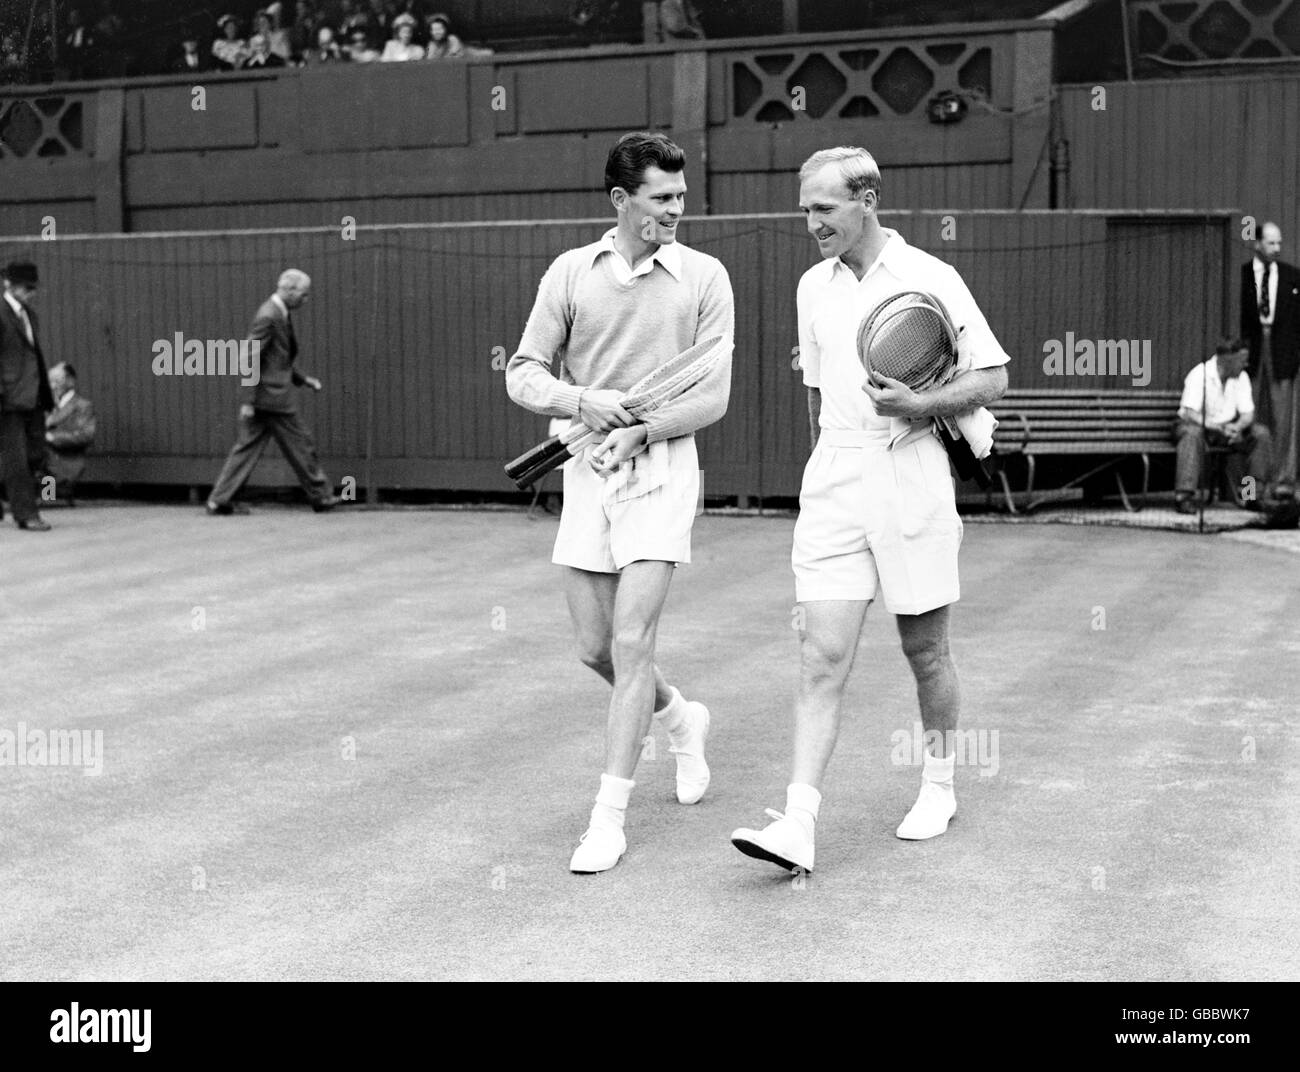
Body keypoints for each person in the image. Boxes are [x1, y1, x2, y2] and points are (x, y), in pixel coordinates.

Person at [730, 146, 1009, 874]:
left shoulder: (931, 277)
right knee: (819, 655)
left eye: (823, 209)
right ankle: (797, 824)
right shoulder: (810, 287)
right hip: (834, 474)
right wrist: (833, 465)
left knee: (924, 651)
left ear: (868, 200)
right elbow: (817, 397)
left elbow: (994, 375)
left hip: (908, 466)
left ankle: (940, 785)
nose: (811, 223)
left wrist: (921, 404)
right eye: (805, 210)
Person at [506, 131, 734, 874]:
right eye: (662, 197)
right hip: (584, 466)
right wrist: (583, 400)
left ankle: (607, 820)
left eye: (680, 196)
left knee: (633, 642)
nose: (676, 208)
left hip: (662, 468)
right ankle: (679, 714)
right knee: (595, 648)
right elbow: (524, 372)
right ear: (621, 201)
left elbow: (713, 394)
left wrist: (642, 429)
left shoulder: (705, 277)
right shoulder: (572, 272)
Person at [206, 269, 341, 516]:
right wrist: (247, 400)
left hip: (265, 397)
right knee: (301, 443)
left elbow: (277, 358)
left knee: (247, 449)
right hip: (272, 398)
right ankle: (321, 497)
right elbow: (250, 356)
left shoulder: (277, 312)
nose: (306, 299)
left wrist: (303, 379)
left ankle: (219, 500)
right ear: (289, 291)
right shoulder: (269, 316)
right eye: (303, 294)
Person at [1174, 338, 1273, 513]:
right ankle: (1184, 497)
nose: (1246, 364)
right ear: (1228, 359)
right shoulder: (1200, 374)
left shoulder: (1241, 377)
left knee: (1260, 434)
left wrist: (1238, 427)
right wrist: (1214, 426)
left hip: (1227, 429)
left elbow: (1247, 413)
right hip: (1197, 426)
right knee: (1192, 435)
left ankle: (1251, 496)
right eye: (1242, 360)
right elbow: (1190, 413)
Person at [1241, 222, 1300, 500]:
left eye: (1279, 243)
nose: (1277, 248)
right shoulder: (1243, 274)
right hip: (1252, 352)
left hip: (1282, 352)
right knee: (1247, 413)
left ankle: (1281, 482)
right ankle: (1248, 485)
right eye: (1271, 243)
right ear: (1257, 244)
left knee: (1282, 418)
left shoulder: (1292, 276)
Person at [0, 261, 55, 531]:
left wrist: (45, 395)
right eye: (26, 286)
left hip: (31, 395)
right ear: (8, 284)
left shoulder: (29, 315)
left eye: (32, 287)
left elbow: (35, 356)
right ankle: (26, 514)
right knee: (17, 458)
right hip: (8, 397)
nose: (30, 291)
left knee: (36, 453)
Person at [43, 362, 96, 505]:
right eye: (50, 381)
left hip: (65, 461)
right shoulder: (47, 406)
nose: (52, 386)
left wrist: (52, 437)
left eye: (57, 381)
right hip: (44, 461)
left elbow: (86, 436)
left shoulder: (82, 406)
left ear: (70, 381)